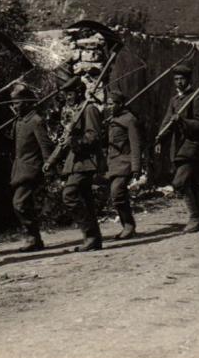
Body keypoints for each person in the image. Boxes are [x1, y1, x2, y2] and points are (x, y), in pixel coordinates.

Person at [44, 78, 105, 251]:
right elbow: (64, 142)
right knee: (86, 200)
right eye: (65, 94)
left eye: (70, 93)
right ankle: (94, 239)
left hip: (87, 161)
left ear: (79, 92)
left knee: (69, 195)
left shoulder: (89, 109)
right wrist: (51, 160)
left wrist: (75, 140)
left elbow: (94, 136)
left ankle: (91, 234)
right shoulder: (72, 112)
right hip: (75, 162)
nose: (67, 97)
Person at [155, 64, 199, 232]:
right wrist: (160, 138)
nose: (179, 82)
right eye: (176, 79)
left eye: (182, 79)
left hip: (192, 147)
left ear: (188, 80)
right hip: (178, 148)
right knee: (192, 184)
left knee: (179, 182)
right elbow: (167, 122)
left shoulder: (196, 98)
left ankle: (194, 218)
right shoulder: (174, 100)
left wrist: (183, 121)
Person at [8, 84, 54, 252]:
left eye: (17, 103)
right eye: (13, 103)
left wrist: (48, 164)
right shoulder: (19, 121)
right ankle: (34, 238)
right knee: (23, 204)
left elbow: (45, 145)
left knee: (19, 204)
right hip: (20, 169)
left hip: (31, 168)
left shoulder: (36, 121)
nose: (14, 106)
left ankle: (32, 237)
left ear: (27, 103)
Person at [105, 89, 142, 239]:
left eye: (111, 104)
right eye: (107, 104)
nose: (109, 107)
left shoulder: (129, 120)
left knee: (117, 193)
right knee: (116, 196)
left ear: (120, 104)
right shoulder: (111, 120)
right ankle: (127, 226)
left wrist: (136, 167)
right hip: (113, 164)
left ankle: (129, 225)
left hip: (125, 163)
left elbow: (135, 144)